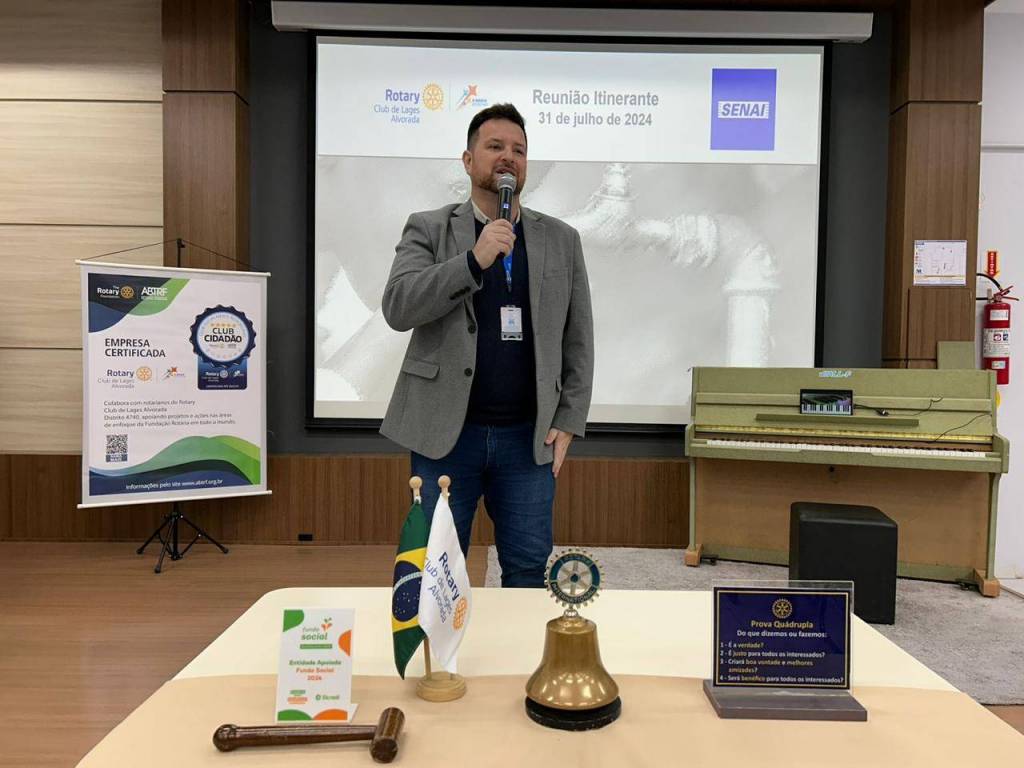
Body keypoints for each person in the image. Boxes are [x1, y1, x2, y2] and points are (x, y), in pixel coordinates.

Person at [380, 103, 594, 588]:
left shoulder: (562, 239)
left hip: (528, 440)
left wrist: (569, 419)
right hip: (447, 436)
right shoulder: (429, 227)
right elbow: (398, 306)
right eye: (495, 146)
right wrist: (472, 261)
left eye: (519, 150)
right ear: (468, 160)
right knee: (433, 571)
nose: (508, 157)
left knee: (527, 568)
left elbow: (578, 337)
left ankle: (518, 642)